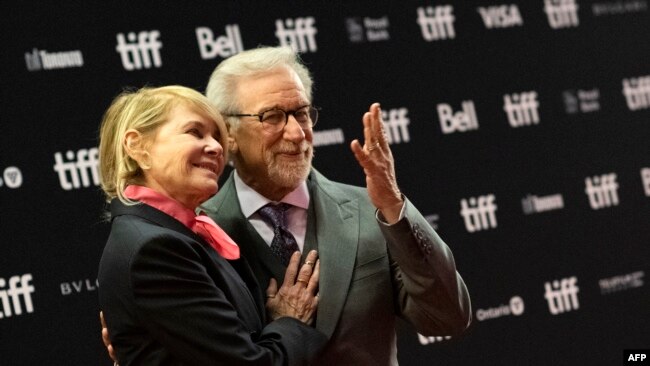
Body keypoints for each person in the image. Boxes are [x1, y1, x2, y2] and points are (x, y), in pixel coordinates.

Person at [103, 47, 471, 365]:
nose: (296, 133)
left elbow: (447, 318)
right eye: (272, 117)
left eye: (302, 113)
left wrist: (394, 208)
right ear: (228, 132)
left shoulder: (372, 210)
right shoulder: (195, 231)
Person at [97, 85, 327, 365]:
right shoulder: (155, 249)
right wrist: (291, 321)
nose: (216, 148)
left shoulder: (175, 234)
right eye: (195, 132)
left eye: (217, 137)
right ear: (137, 146)